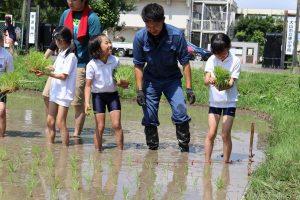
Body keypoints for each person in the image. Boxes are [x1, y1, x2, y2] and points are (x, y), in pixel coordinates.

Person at [133, 3, 195, 152]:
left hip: (172, 80)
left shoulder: (176, 35)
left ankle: (184, 148)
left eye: (156, 26)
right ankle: (152, 150)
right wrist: (140, 90)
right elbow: (138, 65)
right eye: (149, 26)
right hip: (150, 81)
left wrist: (189, 89)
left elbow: (185, 63)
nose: (152, 29)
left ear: (163, 20)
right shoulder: (140, 37)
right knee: (149, 116)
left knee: (180, 110)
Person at [43, 0, 101, 138]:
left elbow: (94, 44)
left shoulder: (92, 18)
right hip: (62, 61)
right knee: (46, 94)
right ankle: (52, 126)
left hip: (81, 64)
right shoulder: (65, 14)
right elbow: (58, 37)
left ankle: (76, 136)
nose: (69, 1)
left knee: (77, 102)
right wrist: (43, 59)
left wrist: (94, 69)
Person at [35, 26, 78, 146]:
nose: (55, 43)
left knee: (60, 122)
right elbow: (54, 68)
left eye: (56, 40)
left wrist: (46, 73)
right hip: (56, 91)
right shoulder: (61, 53)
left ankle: (65, 149)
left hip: (64, 93)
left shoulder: (71, 57)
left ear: (62, 41)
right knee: (50, 120)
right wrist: (41, 67)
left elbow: (64, 76)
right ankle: (50, 147)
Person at [85, 34, 128, 151]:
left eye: (110, 42)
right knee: (100, 126)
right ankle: (98, 153)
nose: (110, 45)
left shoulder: (115, 60)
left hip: (113, 96)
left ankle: (120, 153)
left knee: (116, 125)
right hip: (98, 96)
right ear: (97, 48)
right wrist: (87, 103)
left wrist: (123, 83)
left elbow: (120, 80)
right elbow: (88, 86)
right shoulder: (91, 65)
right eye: (106, 43)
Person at [204, 33, 241, 163]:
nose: (219, 56)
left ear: (228, 47)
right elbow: (206, 80)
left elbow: (231, 83)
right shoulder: (211, 60)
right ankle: (207, 162)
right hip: (214, 101)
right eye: (216, 53)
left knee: (225, 134)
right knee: (211, 133)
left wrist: (222, 86)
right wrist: (210, 80)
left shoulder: (235, 61)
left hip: (229, 102)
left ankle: (225, 163)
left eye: (222, 52)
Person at [0, 31, 14, 137]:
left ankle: (1, 138)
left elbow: (10, 75)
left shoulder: (7, 56)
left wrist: (11, 86)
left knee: (1, 111)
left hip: (1, 87)